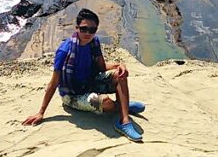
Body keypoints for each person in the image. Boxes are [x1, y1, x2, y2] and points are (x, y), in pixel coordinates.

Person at [22, 8, 144, 142]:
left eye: (92, 30)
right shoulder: (65, 50)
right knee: (104, 102)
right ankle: (122, 105)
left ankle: (124, 121)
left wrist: (119, 65)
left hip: (90, 82)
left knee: (120, 75)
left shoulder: (94, 42)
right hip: (72, 94)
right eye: (84, 29)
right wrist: (41, 112)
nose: (87, 33)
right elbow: (54, 82)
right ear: (76, 28)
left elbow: (101, 68)